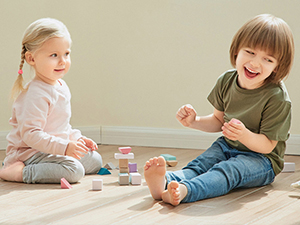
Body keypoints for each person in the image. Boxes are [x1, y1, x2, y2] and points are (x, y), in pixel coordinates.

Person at [144, 14, 294, 206]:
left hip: (262, 160)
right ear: (236, 52)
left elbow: (268, 146)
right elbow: (218, 120)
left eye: (267, 59)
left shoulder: (277, 97)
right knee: (201, 164)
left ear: (277, 67)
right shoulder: (227, 81)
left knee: (227, 171)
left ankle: (186, 191)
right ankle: (165, 182)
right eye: (249, 52)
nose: (255, 63)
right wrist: (194, 121)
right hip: (227, 145)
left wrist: (244, 135)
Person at [0, 18, 102, 184]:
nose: (62, 61)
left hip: (53, 148)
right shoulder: (35, 94)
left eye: (66, 54)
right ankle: (19, 172)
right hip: (30, 154)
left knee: (94, 160)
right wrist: (65, 148)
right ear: (31, 59)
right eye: (54, 55)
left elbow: (61, 126)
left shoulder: (61, 85)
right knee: (75, 171)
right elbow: (31, 135)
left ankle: (56, 163)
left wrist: (77, 139)